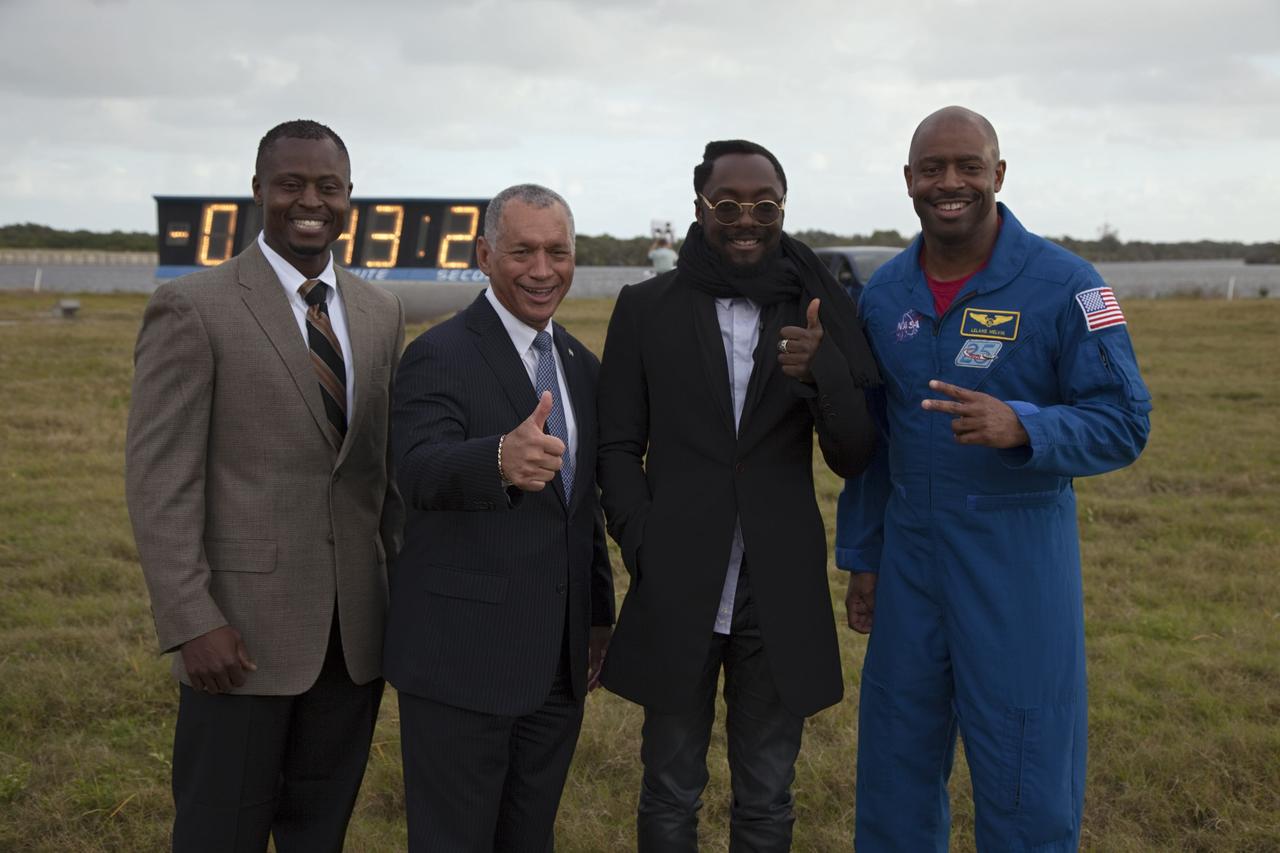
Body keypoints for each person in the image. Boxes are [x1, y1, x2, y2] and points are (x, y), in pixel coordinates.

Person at [836, 106, 1152, 851]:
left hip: (1015, 565)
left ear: (998, 174)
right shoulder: (883, 296)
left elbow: (1125, 420)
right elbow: (878, 442)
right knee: (894, 770)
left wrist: (1027, 426)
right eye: (933, 168)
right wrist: (864, 556)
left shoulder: (1065, 284)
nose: (951, 183)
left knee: (1025, 775)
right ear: (909, 180)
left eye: (968, 166)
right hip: (911, 561)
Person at [125, 119, 405, 852]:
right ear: (257, 191)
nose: (309, 200)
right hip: (239, 638)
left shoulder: (380, 314)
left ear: (349, 198)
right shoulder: (195, 306)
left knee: (320, 834)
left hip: (353, 640)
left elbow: (380, 477)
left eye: (328, 186)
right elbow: (161, 480)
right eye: (291, 183)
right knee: (221, 830)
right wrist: (191, 618)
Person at [596, 140, 880, 851]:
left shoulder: (816, 308)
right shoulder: (646, 306)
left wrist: (827, 376)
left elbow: (853, 454)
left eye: (765, 206)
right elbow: (616, 446)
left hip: (776, 588)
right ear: (700, 209)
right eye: (728, 205)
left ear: (783, 209)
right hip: (677, 579)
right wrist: (642, 539)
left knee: (765, 793)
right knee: (669, 787)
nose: (746, 219)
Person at [383, 183, 615, 851]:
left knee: (527, 837)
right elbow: (416, 468)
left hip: (556, 666)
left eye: (557, 252)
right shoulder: (440, 353)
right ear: (485, 254)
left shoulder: (579, 364)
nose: (542, 270)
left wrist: (598, 614)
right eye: (521, 251)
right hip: (463, 662)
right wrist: (496, 460)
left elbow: (582, 505)